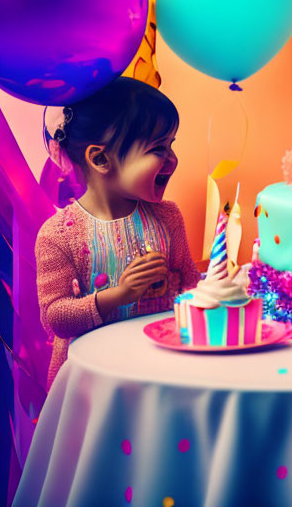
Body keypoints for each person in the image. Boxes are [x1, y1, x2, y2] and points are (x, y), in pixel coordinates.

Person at [35, 77, 199, 388]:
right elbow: (55, 318)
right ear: (100, 159)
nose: (172, 159)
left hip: (161, 372)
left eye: (171, 145)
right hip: (94, 384)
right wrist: (120, 295)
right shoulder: (58, 235)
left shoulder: (168, 217)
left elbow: (189, 284)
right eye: (157, 149)